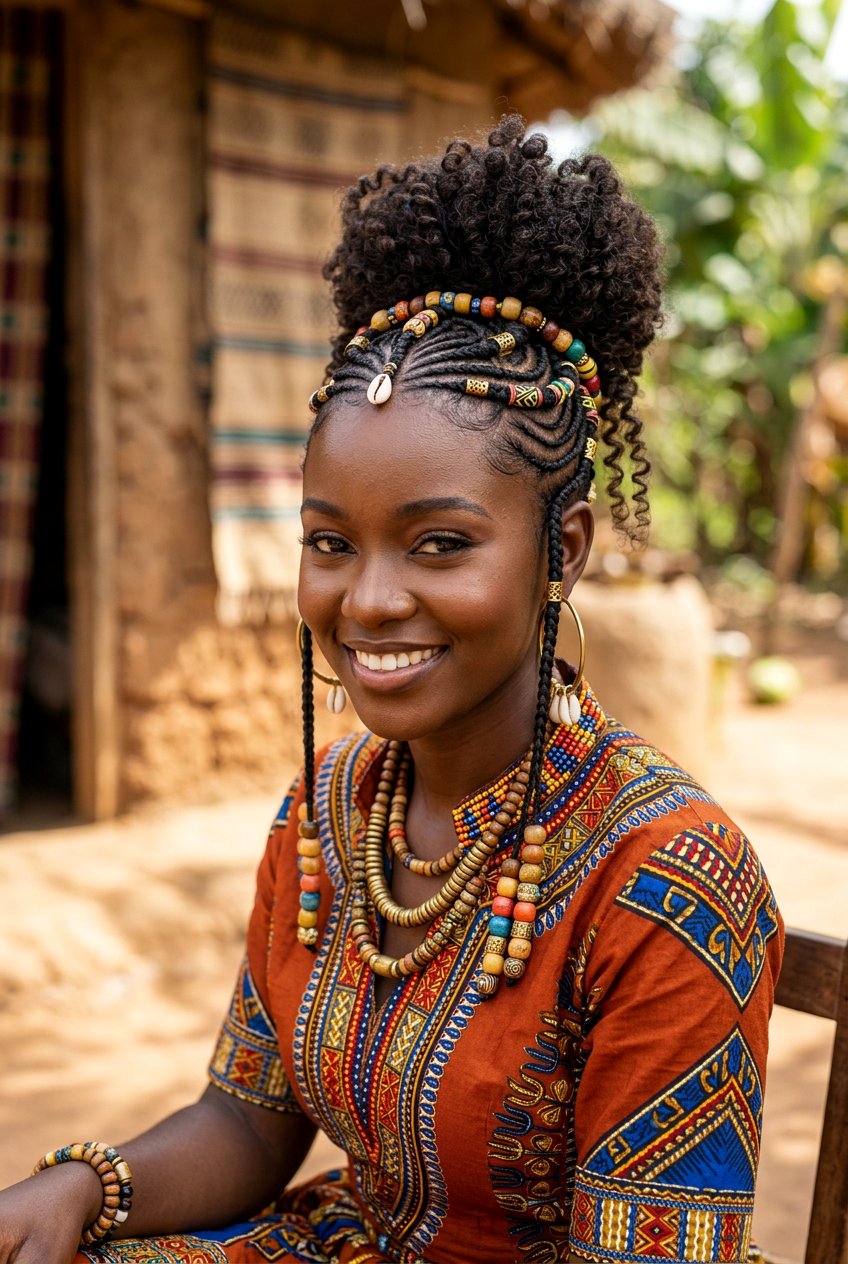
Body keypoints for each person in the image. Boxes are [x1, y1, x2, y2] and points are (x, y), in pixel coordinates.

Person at [0, 116, 783, 1264]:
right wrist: (82, 1185)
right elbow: (245, 1120)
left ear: (561, 551)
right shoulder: (329, 818)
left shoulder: (663, 884)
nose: (366, 601)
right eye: (330, 542)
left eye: (437, 544)